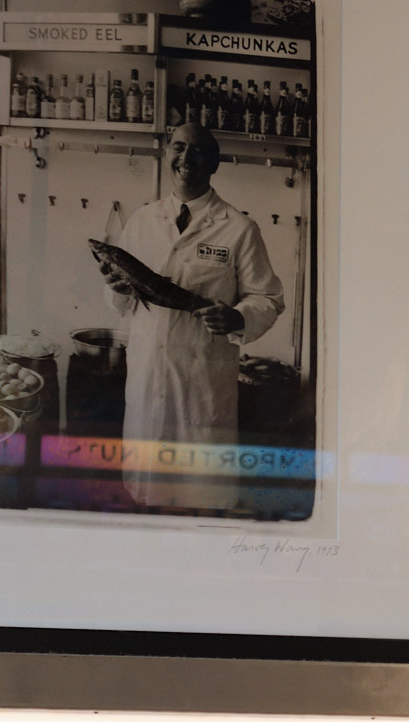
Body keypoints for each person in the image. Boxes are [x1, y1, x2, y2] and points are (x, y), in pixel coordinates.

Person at [99, 122, 285, 511]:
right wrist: (117, 289)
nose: (187, 158)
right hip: (150, 373)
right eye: (179, 148)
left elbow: (267, 297)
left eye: (198, 150)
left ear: (214, 163)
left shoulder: (239, 228)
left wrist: (237, 318)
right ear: (168, 155)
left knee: (199, 494)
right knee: (146, 494)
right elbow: (122, 300)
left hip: (202, 380)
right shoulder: (142, 219)